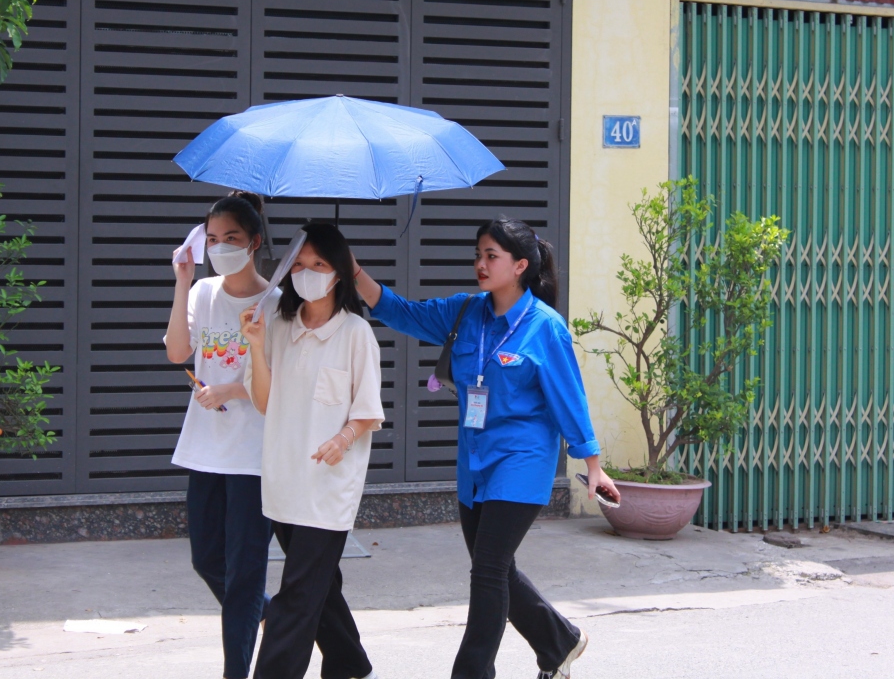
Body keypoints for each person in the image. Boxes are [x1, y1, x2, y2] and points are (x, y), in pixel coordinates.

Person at [352, 216, 621, 679]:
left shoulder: (545, 327)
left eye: (490, 256)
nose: (480, 263)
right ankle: (559, 642)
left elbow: (568, 397)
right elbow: (399, 310)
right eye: (478, 254)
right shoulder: (464, 312)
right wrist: (354, 271)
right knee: (493, 566)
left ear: (519, 265)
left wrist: (593, 464)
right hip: (474, 461)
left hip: (522, 460)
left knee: (488, 570)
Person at [240, 223, 383, 679]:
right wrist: (257, 347)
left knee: (297, 595)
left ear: (339, 273)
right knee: (320, 588)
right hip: (283, 482)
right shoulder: (277, 327)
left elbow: (367, 412)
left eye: (319, 265)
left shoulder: (357, 333)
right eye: (299, 265)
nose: (307, 273)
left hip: (328, 489)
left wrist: (342, 439)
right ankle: (352, 667)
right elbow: (264, 402)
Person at [165, 191, 280, 679]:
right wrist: (183, 280)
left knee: (244, 574)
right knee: (207, 559)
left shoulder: (276, 302)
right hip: (206, 448)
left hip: (254, 455)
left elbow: (279, 383)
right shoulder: (203, 292)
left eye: (231, 238)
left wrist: (234, 385)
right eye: (212, 238)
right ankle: (274, 614)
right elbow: (177, 352)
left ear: (254, 242)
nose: (220, 246)